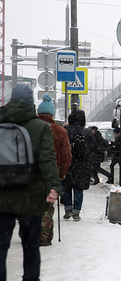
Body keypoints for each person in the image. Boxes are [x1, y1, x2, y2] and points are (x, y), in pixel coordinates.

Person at [0, 84, 61, 281]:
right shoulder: (39, 127)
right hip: (30, 194)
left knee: (0, 247)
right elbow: (47, 160)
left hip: (2, 195)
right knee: (31, 245)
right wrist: (54, 186)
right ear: (30, 103)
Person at [36, 93, 72, 246]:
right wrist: (61, 173)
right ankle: (44, 237)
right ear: (52, 113)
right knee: (47, 207)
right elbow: (66, 156)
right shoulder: (59, 131)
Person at [62, 109, 91, 221]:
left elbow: (62, 147)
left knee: (67, 187)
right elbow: (93, 148)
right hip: (82, 166)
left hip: (68, 163)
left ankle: (68, 209)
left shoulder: (66, 130)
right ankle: (76, 212)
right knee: (78, 189)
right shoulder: (87, 132)